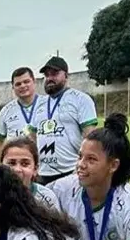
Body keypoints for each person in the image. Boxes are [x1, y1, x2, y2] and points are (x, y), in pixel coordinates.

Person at [33, 56, 98, 184]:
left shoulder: (81, 99)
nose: (50, 78)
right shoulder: (39, 104)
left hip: (70, 171)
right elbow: (31, 137)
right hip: (42, 173)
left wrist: (80, 166)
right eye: (46, 75)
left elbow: (90, 136)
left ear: (66, 76)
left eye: (55, 74)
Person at [0, 67, 45, 162]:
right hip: (18, 167)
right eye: (18, 84)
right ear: (13, 87)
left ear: (34, 81)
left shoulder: (48, 104)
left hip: (46, 165)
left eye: (26, 82)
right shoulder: (6, 110)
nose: (22, 86)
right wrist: (0, 165)